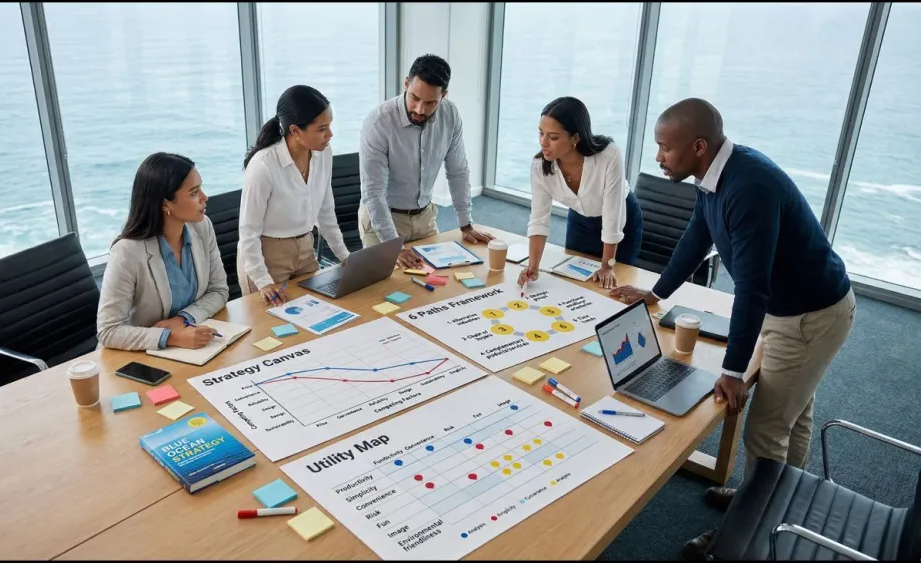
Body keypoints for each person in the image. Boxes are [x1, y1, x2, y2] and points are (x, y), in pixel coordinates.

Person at [608, 98, 856, 560]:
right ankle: (778, 503)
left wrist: (733, 370)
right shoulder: (712, 176)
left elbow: (753, 289)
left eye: (664, 147)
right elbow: (696, 238)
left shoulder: (748, 188)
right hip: (797, 307)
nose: (657, 157)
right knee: (792, 416)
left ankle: (749, 536)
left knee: (765, 428)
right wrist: (656, 293)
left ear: (698, 146)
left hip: (808, 316)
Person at [359, 53, 494, 269]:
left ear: (444, 96)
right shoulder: (378, 123)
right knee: (387, 293)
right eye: (414, 98)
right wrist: (395, 247)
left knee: (439, 282)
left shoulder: (450, 115)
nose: (420, 109)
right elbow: (373, 194)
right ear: (406, 84)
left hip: (425, 217)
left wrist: (466, 224)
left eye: (431, 102)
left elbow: (458, 171)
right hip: (383, 221)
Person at [97, 152, 228, 351]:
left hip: (189, 348)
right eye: (194, 192)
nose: (204, 197)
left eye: (201, 188)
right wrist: (170, 337)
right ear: (165, 203)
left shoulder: (202, 227)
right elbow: (109, 331)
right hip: (137, 355)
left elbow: (218, 290)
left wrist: (182, 319)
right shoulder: (127, 251)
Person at [238, 85, 349, 306]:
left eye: (330, 126)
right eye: (321, 129)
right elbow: (248, 232)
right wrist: (262, 281)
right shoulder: (264, 166)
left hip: (306, 250)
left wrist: (345, 256)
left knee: (320, 311)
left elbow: (326, 213)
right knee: (273, 326)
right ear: (296, 131)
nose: (330, 135)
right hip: (268, 256)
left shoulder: (324, 154)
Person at [518, 96, 643, 291]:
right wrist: (533, 267)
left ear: (575, 138)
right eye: (541, 134)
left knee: (613, 285)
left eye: (553, 137)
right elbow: (538, 220)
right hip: (580, 218)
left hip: (619, 218)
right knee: (573, 282)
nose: (543, 143)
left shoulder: (609, 156)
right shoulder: (539, 167)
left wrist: (607, 266)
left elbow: (612, 216)